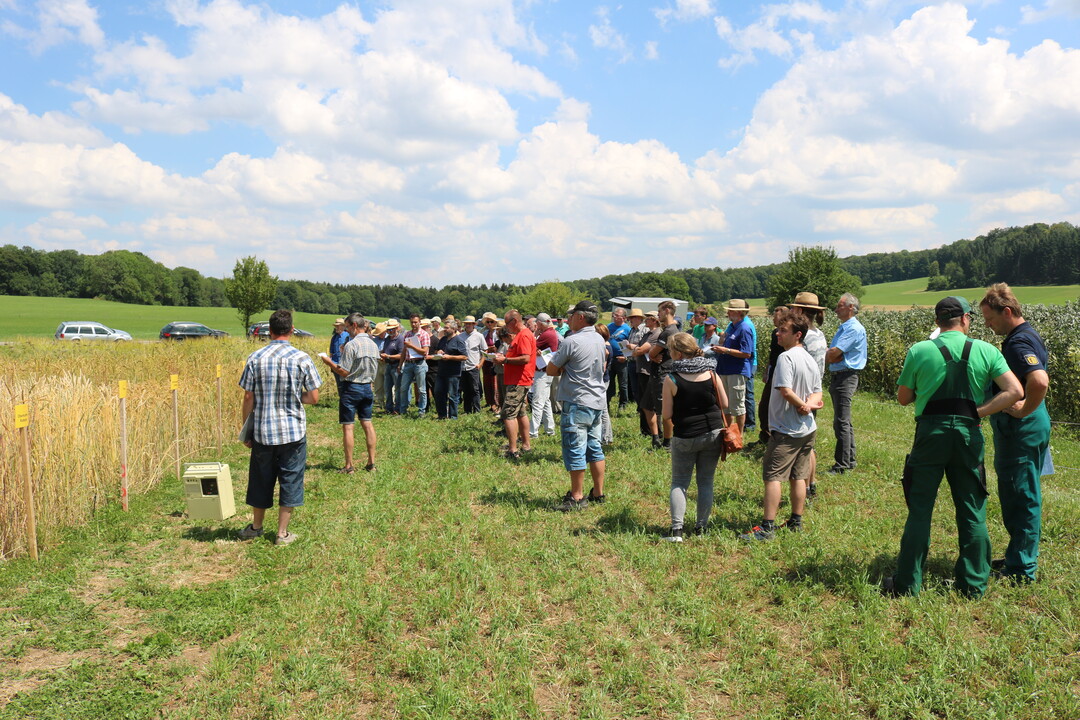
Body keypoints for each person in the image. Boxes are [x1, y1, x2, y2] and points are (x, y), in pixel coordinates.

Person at [886, 296, 1022, 598]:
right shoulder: (986, 350)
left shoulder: (919, 350)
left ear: (937, 322)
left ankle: (907, 585)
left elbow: (904, 398)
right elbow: (1015, 391)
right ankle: (973, 586)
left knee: (920, 510)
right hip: (967, 435)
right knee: (972, 510)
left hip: (929, 434)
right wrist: (980, 411)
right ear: (965, 319)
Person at [980, 283, 1051, 584]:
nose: (987, 325)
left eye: (990, 319)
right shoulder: (1027, 334)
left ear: (1006, 312)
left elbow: (1039, 381)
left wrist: (1023, 410)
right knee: (1023, 491)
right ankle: (1018, 557)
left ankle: (1021, 570)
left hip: (1021, 430)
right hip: (1031, 426)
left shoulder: (1018, 343)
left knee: (1021, 496)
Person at [238, 309, 322, 546]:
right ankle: (282, 533)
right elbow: (314, 397)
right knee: (291, 478)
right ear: (292, 330)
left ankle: (256, 527)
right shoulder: (302, 358)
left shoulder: (255, 357)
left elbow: (248, 397)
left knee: (260, 479)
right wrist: (296, 397)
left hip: (263, 431)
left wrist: (247, 428)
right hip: (293, 432)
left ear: (270, 331)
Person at [740, 314, 823, 542]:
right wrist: (810, 404)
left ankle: (767, 527)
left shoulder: (786, 358)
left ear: (798, 335)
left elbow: (785, 390)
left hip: (787, 429)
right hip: (807, 429)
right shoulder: (809, 358)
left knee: (773, 476)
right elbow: (818, 391)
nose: (778, 333)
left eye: (783, 330)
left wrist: (803, 406)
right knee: (799, 475)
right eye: (778, 329)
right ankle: (796, 521)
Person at [661, 333, 728, 542]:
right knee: (706, 482)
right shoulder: (711, 373)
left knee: (679, 482)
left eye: (671, 351)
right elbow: (724, 404)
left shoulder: (671, 378)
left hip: (685, 435)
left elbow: (666, 415)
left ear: (678, 353)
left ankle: (677, 531)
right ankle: (701, 528)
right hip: (713, 432)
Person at [547, 300, 608, 511]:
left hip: (577, 401)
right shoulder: (600, 339)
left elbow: (551, 370)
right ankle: (598, 492)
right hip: (596, 400)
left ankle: (577, 496)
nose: (569, 319)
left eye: (572, 315)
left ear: (580, 317)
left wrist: (565, 369)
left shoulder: (571, 341)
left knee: (575, 448)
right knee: (595, 448)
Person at [320, 313, 378, 473]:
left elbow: (344, 371)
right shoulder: (374, 344)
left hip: (352, 388)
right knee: (367, 424)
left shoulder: (352, 345)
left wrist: (329, 362)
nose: (346, 330)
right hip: (367, 387)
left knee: (348, 427)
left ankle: (349, 465)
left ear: (354, 325)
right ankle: (371, 463)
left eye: (347, 327)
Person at [787, 292, 828, 498]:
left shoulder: (806, 337)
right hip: (814, 394)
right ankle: (811, 485)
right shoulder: (819, 334)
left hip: (803, 395)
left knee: (803, 446)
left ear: (800, 311)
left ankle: (806, 486)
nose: (790, 312)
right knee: (809, 444)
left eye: (793, 308)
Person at [826, 292, 867, 474]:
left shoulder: (852, 328)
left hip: (845, 376)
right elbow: (834, 354)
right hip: (841, 375)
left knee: (841, 422)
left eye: (839, 306)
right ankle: (849, 460)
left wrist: (829, 356)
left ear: (851, 307)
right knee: (844, 421)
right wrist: (833, 355)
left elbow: (834, 353)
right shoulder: (845, 327)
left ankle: (842, 465)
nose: (836, 310)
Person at [495, 310, 536, 459]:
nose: (506, 327)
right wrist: (504, 357)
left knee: (508, 413)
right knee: (520, 413)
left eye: (506, 323)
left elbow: (525, 358)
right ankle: (525, 445)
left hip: (519, 380)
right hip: (517, 379)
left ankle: (513, 450)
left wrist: (505, 360)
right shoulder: (521, 335)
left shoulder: (524, 335)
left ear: (513, 321)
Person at [714, 299, 754, 434]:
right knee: (725, 404)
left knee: (737, 405)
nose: (728, 313)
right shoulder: (732, 326)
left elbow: (747, 353)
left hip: (736, 371)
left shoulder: (744, 328)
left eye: (731, 310)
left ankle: (739, 435)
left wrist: (726, 351)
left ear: (739, 312)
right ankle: (728, 432)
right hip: (725, 369)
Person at [647, 300, 681, 449]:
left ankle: (668, 442)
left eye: (659, 311)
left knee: (665, 411)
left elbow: (653, 352)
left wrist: (653, 355)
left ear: (667, 310)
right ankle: (657, 438)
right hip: (658, 374)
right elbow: (653, 354)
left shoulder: (668, 331)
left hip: (663, 374)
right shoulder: (670, 329)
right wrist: (653, 355)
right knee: (648, 405)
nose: (658, 314)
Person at [756, 307, 789, 444]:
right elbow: (772, 355)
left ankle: (771, 437)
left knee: (771, 406)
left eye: (776, 317)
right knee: (764, 406)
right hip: (773, 372)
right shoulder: (774, 333)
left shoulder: (786, 336)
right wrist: (766, 371)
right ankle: (765, 435)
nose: (773, 319)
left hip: (781, 374)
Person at [634, 311, 662, 444]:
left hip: (648, 371)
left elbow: (640, 350)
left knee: (650, 403)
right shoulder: (648, 333)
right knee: (643, 402)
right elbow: (638, 349)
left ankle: (654, 431)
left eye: (648, 318)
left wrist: (635, 350)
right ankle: (646, 430)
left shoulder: (656, 334)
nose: (645, 320)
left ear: (654, 320)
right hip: (642, 370)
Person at [530, 313, 560, 438]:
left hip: (542, 372)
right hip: (546, 371)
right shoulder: (552, 333)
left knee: (537, 402)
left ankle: (532, 432)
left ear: (540, 324)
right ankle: (550, 429)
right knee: (546, 401)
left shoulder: (547, 334)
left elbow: (530, 346)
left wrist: (535, 334)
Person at [434, 320, 468, 420]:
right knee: (438, 392)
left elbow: (464, 357)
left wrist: (450, 357)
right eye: (444, 327)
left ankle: (453, 417)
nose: (444, 329)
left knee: (453, 395)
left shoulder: (459, 340)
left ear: (453, 329)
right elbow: (437, 350)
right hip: (441, 371)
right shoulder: (443, 339)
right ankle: (442, 415)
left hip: (453, 373)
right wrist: (438, 351)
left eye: (447, 327)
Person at [398, 313, 430, 416]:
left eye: (416, 322)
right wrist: (400, 365)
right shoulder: (407, 334)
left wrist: (411, 346)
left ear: (419, 322)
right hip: (408, 363)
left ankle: (421, 412)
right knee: (403, 388)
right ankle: (403, 410)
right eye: (412, 322)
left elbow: (425, 352)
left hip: (419, 363)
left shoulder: (424, 334)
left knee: (421, 389)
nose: (414, 324)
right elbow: (404, 351)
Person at [606, 308, 632, 411]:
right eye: (614, 315)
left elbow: (630, 344)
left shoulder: (627, 329)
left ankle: (623, 403)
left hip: (622, 359)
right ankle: (608, 401)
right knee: (609, 381)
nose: (615, 317)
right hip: (610, 358)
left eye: (618, 315)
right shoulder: (609, 327)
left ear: (624, 318)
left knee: (623, 383)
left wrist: (626, 357)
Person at [460, 316, 486, 414]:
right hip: (463, 367)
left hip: (474, 366)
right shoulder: (460, 336)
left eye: (470, 324)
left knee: (475, 389)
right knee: (465, 390)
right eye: (466, 324)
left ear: (474, 325)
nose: (468, 325)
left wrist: (480, 364)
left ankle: (477, 410)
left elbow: (484, 351)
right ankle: (467, 410)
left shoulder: (479, 336)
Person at [380, 319, 403, 415]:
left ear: (397, 328)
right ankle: (388, 408)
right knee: (387, 388)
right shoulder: (387, 339)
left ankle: (397, 409)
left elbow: (402, 355)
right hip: (388, 365)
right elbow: (385, 350)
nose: (390, 331)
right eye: (388, 330)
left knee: (398, 389)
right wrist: (382, 354)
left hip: (396, 366)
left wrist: (388, 356)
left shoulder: (400, 339)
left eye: (392, 329)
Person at [481, 312, 500, 411]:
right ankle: (490, 402)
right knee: (487, 381)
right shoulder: (484, 333)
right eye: (487, 322)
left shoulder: (498, 333)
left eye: (491, 322)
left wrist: (490, 348)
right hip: (486, 359)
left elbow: (498, 346)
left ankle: (496, 403)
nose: (489, 323)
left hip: (495, 360)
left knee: (495, 382)